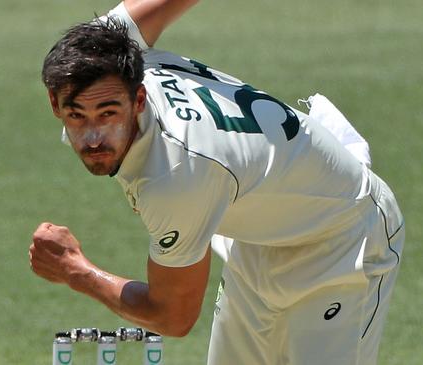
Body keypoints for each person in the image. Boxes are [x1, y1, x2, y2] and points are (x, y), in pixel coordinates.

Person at [28, 1, 404, 364]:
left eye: (108, 113)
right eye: (77, 116)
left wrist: (75, 269)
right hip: (261, 234)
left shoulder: (175, 178)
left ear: (138, 99)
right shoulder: (103, 48)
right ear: (54, 103)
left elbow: (172, 315)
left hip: (343, 239)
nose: (93, 138)